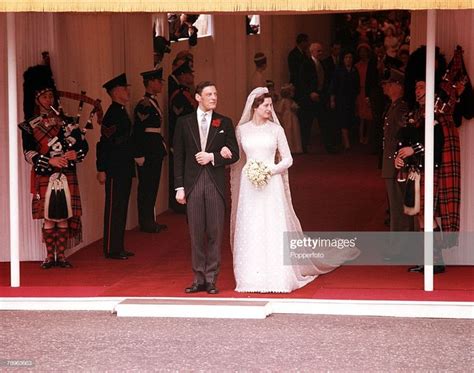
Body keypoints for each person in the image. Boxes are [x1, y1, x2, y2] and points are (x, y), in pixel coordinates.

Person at [230, 87, 359, 293]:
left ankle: (277, 276)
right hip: (249, 184)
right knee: (251, 226)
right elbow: (236, 158)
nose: (270, 109)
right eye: (266, 106)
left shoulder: (276, 130)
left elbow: (288, 159)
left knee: (273, 225)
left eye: (271, 105)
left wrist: (270, 170)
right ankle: (250, 277)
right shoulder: (242, 130)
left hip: (271, 183)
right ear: (254, 107)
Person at [173, 81, 239, 294]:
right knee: (195, 233)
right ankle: (198, 277)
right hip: (192, 184)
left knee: (214, 231)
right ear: (198, 97)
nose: (214, 97)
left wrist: (213, 157)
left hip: (214, 183)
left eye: (215, 94)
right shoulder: (184, 122)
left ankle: (211, 278)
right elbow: (179, 157)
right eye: (209, 94)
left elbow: (235, 154)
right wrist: (179, 187)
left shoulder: (224, 122)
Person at [21, 64, 88, 269]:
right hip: (45, 173)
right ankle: (50, 257)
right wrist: (49, 161)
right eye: (44, 97)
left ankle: (63, 256)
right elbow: (28, 153)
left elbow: (83, 146)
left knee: (64, 215)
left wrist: (74, 153)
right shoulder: (29, 125)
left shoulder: (66, 121)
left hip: (66, 172)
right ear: (36, 100)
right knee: (49, 217)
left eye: (50, 96)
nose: (48, 100)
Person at [96, 73, 135, 260]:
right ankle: (112, 248)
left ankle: (118, 246)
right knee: (114, 207)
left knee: (121, 206)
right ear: (115, 92)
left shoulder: (120, 111)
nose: (128, 91)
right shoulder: (112, 114)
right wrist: (101, 168)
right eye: (124, 88)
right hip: (114, 167)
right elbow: (104, 143)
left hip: (124, 166)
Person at [380, 68, 415, 236]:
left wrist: (399, 159)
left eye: (389, 84)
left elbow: (403, 136)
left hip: (396, 163)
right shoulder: (394, 106)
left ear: (398, 86)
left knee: (398, 206)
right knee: (396, 205)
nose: (385, 87)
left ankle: (400, 246)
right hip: (391, 162)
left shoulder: (400, 108)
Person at [133, 68, 168, 233]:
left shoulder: (152, 102)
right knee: (146, 186)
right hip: (147, 150)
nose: (160, 84)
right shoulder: (144, 104)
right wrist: (138, 153)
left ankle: (150, 219)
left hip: (154, 149)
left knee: (152, 185)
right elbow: (139, 131)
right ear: (151, 82)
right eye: (158, 81)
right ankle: (145, 221)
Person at [168, 60, 198, 214]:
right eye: (188, 73)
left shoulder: (187, 93)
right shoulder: (179, 95)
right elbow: (182, 120)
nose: (191, 76)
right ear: (181, 76)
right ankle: (180, 204)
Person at [329, 50, 360, 150]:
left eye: (350, 57)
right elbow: (333, 86)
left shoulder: (355, 70)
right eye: (346, 57)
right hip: (341, 99)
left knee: (350, 119)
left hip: (351, 99)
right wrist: (332, 99)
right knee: (343, 119)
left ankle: (345, 140)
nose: (349, 59)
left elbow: (357, 86)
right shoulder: (339, 71)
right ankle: (346, 142)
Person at [275, 83, 303, 154]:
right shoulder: (284, 101)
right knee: (288, 131)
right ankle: (289, 148)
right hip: (286, 117)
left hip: (292, 117)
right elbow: (279, 110)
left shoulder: (291, 101)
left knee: (294, 131)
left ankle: (295, 148)